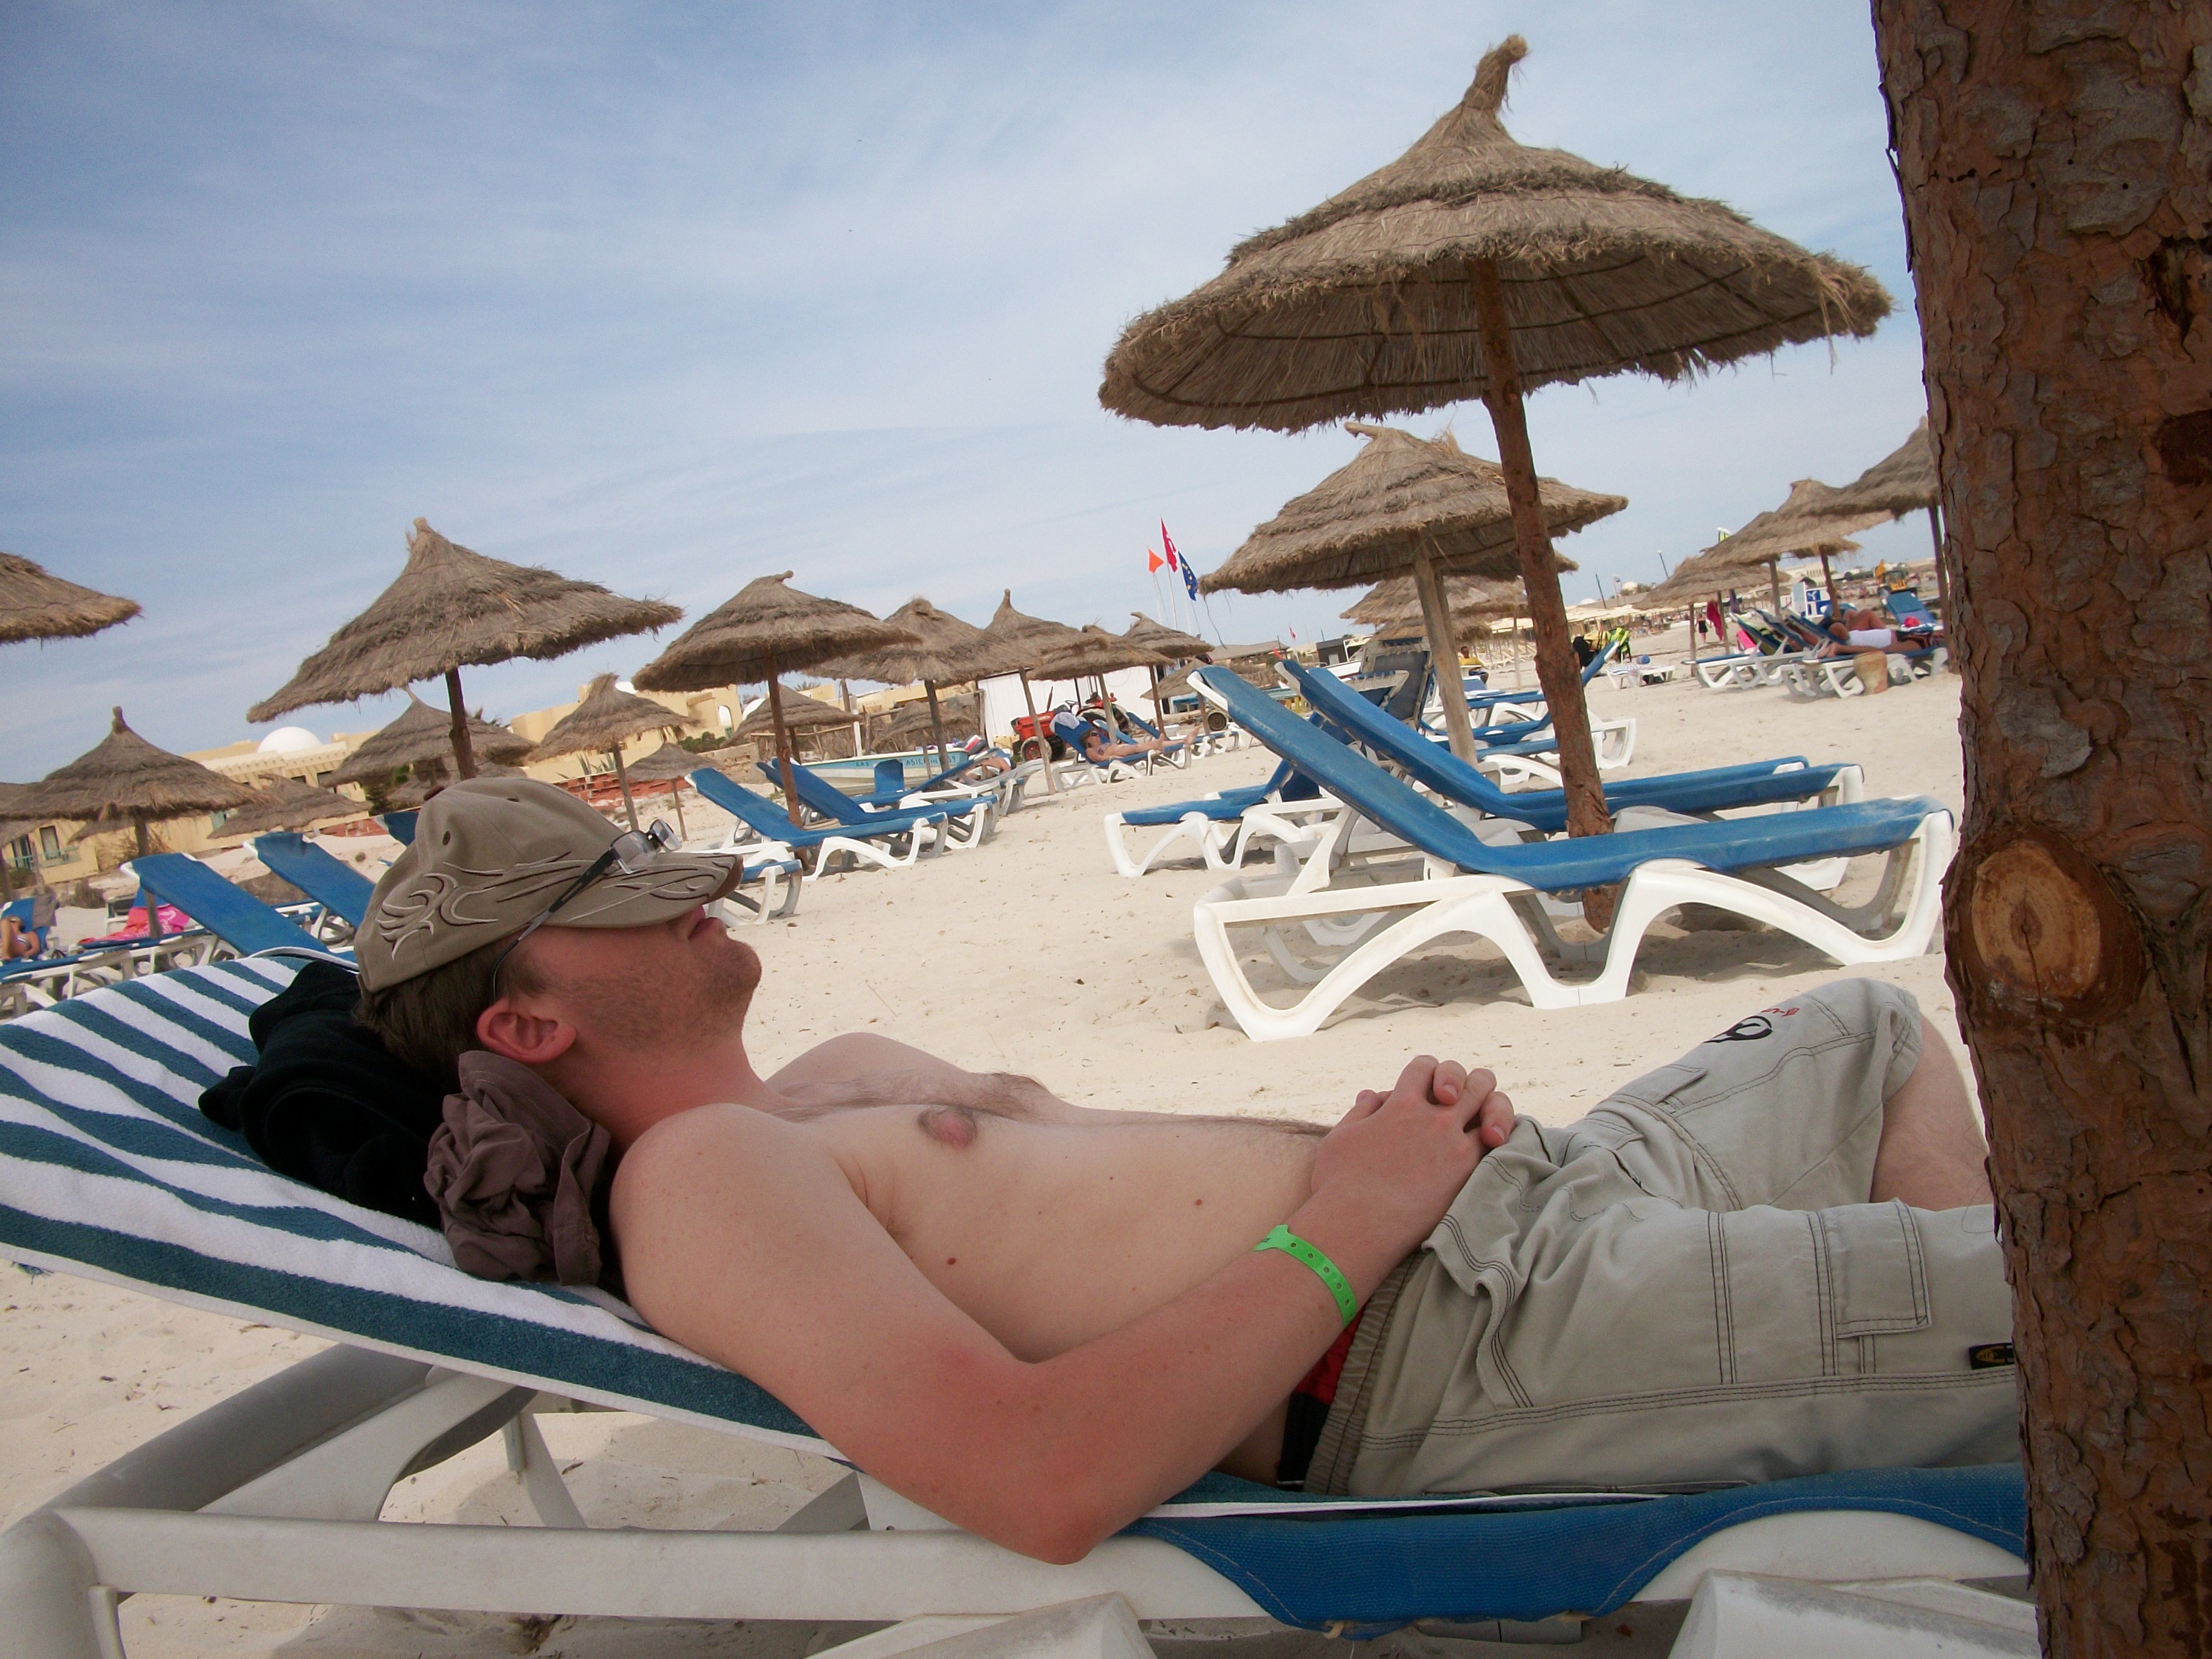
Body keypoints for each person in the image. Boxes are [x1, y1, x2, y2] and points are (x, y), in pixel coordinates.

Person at [355, 781, 2018, 1564]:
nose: (680, 890)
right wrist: (1358, 1212)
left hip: (1515, 1200)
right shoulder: (694, 1185)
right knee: (2063, 1293)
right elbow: (1039, 1476)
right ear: (526, 1020)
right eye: (617, 893)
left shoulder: (823, 1085)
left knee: (1864, 1029)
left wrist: (1387, 1161)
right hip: (1459, 1339)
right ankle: (1940, 1373)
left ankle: (1914, 1380)